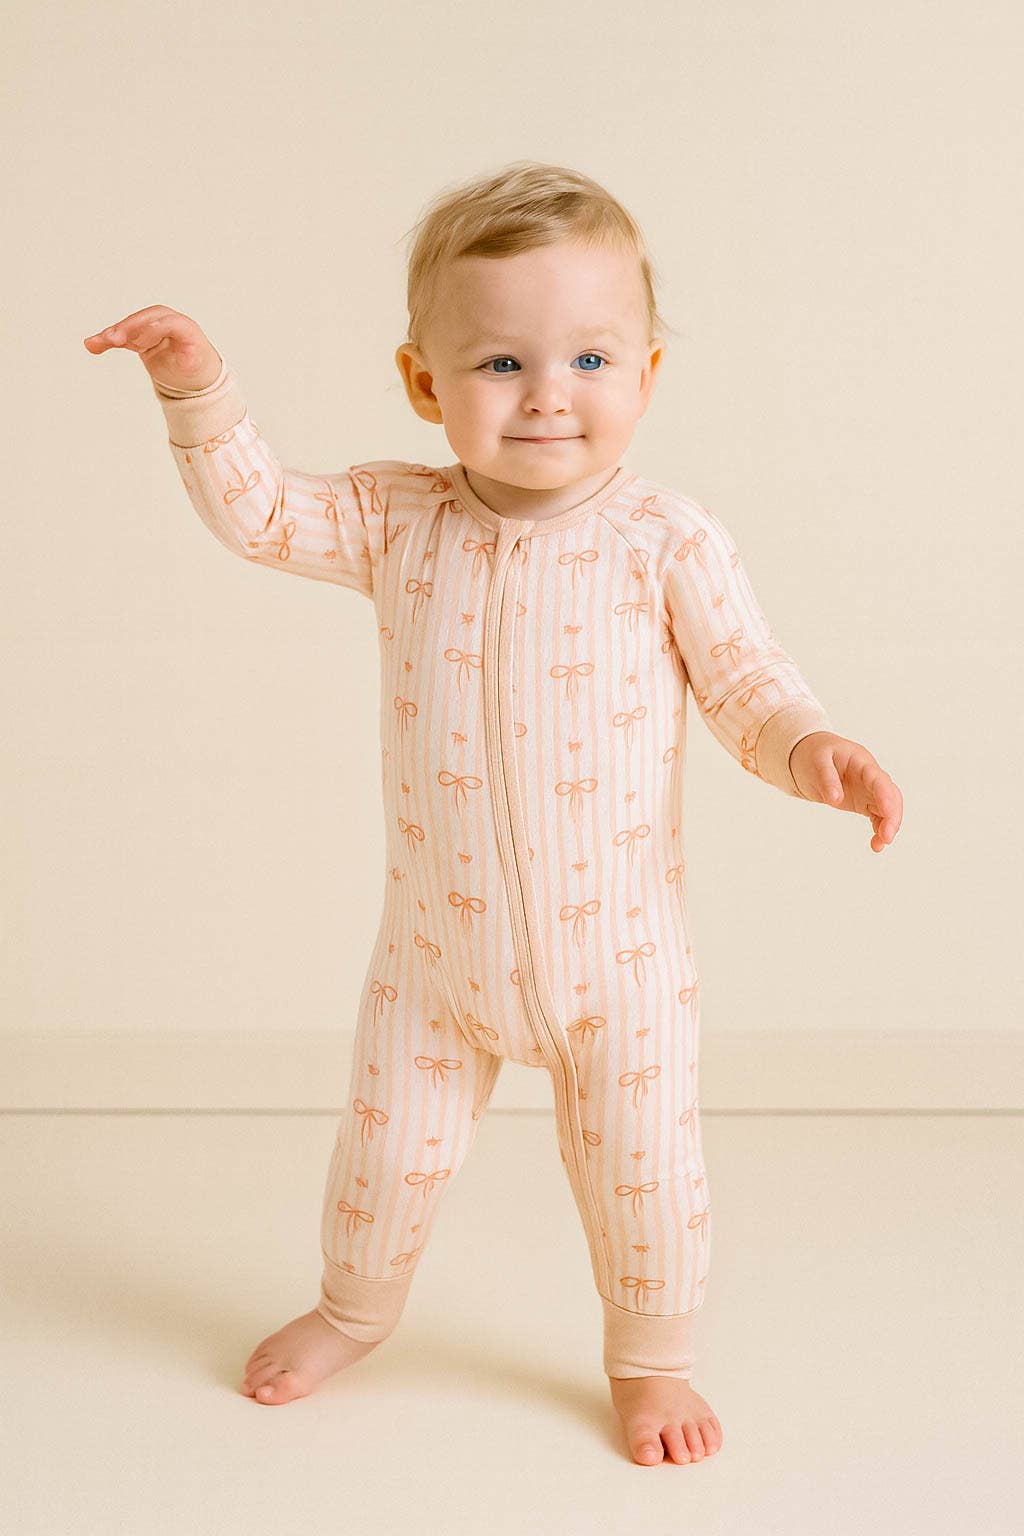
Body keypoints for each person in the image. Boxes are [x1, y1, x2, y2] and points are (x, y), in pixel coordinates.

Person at [82, 160, 903, 1467]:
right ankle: (353, 1311)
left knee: (647, 1179)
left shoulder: (666, 541)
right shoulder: (398, 518)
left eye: (587, 358)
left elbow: (748, 687)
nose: (548, 397)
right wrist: (197, 386)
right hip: (433, 965)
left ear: (645, 374)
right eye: (501, 365)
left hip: (618, 970)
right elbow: (256, 514)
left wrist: (817, 750)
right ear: (425, 385)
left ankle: (651, 1360)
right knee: (383, 1162)